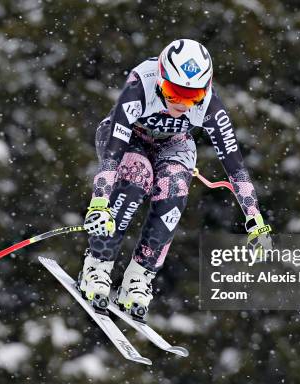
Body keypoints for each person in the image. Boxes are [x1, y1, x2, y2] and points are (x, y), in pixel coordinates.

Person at [80, 39, 272, 321]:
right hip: (127, 138)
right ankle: (98, 264)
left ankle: (139, 277)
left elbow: (235, 164)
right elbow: (113, 151)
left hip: (173, 144)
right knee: (137, 176)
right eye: (173, 92)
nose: (181, 104)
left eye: (191, 96)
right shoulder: (140, 84)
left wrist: (255, 220)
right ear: (160, 77)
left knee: (174, 191)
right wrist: (99, 200)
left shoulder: (210, 106)